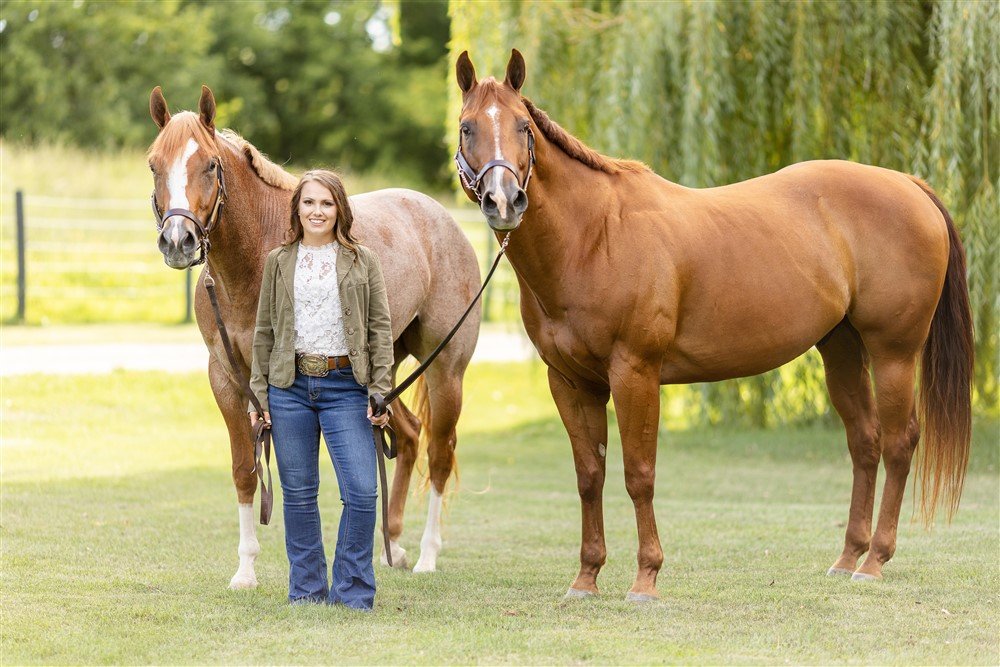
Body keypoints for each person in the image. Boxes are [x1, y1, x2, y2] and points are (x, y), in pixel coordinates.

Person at [249, 169, 393, 610]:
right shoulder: (279, 260)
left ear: (340, 210)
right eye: (309, 202)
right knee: (299, 494)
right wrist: (259, 397)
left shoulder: (362, 260)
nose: (317, 211)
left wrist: (381, 391)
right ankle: (308, 590)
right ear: (297, 209)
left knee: (362, 491)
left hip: (347, 386)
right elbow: (264, 331)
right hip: (288, 389)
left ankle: (351, 591)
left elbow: (380, 329)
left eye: (326, 203)